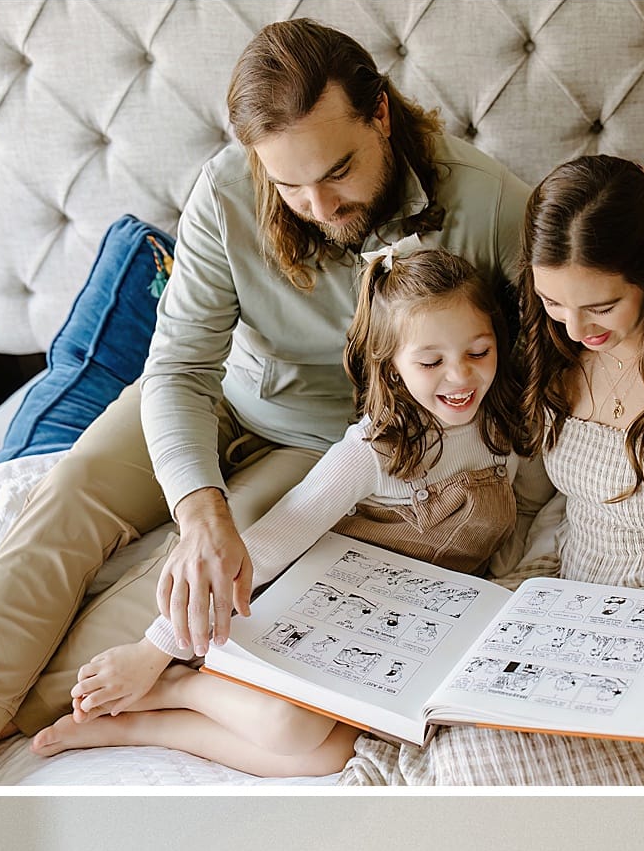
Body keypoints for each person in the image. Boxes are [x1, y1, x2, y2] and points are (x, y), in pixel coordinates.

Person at [0, 17, 529, 781]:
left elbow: (544, 369)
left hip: (321, 441)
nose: (317, 204)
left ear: (380, 115)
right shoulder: (226, 189)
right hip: (215, 396)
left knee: (198, 580)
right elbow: (180, 366)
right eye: (289, 185)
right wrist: (198, 509)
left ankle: (35, 713)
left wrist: (215, 533)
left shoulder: (489, 204)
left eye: (337, 171)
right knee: (71, 490)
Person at [336, 154, 644, 788]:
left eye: (600, 305)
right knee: (431, 713)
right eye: (553, 302)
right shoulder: (556, 351)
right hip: (579, 601)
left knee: (479, 762)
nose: (574, 327)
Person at [32, 247, 531, 776]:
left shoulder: (501, 429)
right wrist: (153, 652)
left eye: (479, 351)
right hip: (322, 618)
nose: (460, 378)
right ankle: (179, 686)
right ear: (390, 365)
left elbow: (524, 517)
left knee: (332, 755)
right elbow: (262, 551)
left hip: (414, 635)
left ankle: (149, 720)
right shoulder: (368, 454)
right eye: (431, 363)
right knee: (291, 729)